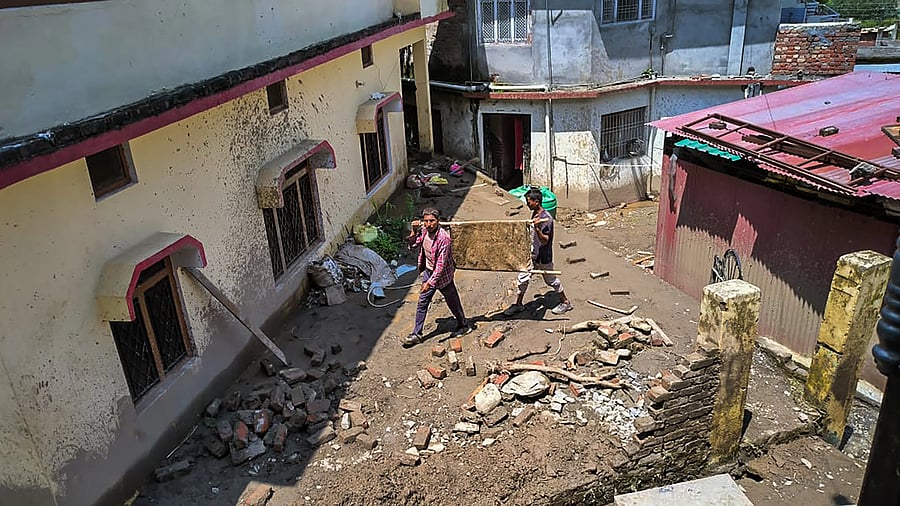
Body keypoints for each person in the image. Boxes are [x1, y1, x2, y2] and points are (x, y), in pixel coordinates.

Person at [403, 208, 472, 348]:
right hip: (429, 272)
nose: (429, 224)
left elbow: (441, 265)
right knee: (422, 302)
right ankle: (417, 334)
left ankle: (463, 325)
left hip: (443, 277)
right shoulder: (423, 230)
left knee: (452, 302)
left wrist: (429, 283)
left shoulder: (444, 239)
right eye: (426, 221)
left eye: (432, 221)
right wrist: (414, 231)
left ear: (438, 221)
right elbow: (414, 245)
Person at [504, 187, 573, 316]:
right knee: (523, 278)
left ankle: (566, 302)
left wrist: (537, 228)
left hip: (543, 256)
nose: (527, 204)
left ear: (536, 202)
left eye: (529, 202)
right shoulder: (535, 214)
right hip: (532, 255)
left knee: (551, 280)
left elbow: (545, 240)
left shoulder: (546, 219)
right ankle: (518, 304)